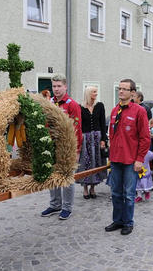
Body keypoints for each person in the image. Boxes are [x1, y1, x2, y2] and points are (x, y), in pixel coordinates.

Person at [105, 79, 150, 235]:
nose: (121, 91)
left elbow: (145, 138)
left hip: (131, 161)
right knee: (116, 193)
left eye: (124, 89)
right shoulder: (114, 111)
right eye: (119, 89)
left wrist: (139, 159)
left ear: (132, 92)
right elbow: (112, 135)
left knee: (129, 195)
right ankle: (117, 220)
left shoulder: (139, 111)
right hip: (116, 159)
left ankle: (128, 222)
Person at [41, 74, 82, 220]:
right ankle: (55, 205)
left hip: (67, 147)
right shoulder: (50, 102)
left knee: (67, 177)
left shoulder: (72, 104)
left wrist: (76, 150)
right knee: (53, 176)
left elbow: (77, 128)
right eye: (54, 86)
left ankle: (67, 207)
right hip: (52, 146)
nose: (56, 89)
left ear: (65, 86)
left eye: (59, 86)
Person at [76, 86, 107, 199]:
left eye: (96, 92)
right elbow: (78, 126)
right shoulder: (80, 107)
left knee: (96, 163)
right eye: (94, 92)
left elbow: (103, 123)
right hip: (85, 139)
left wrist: (104, 139)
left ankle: (93, 188)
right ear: (88, 93)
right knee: (85, 163)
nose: (96, 94)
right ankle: (85, 188)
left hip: (97, 138)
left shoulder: (100, 106)